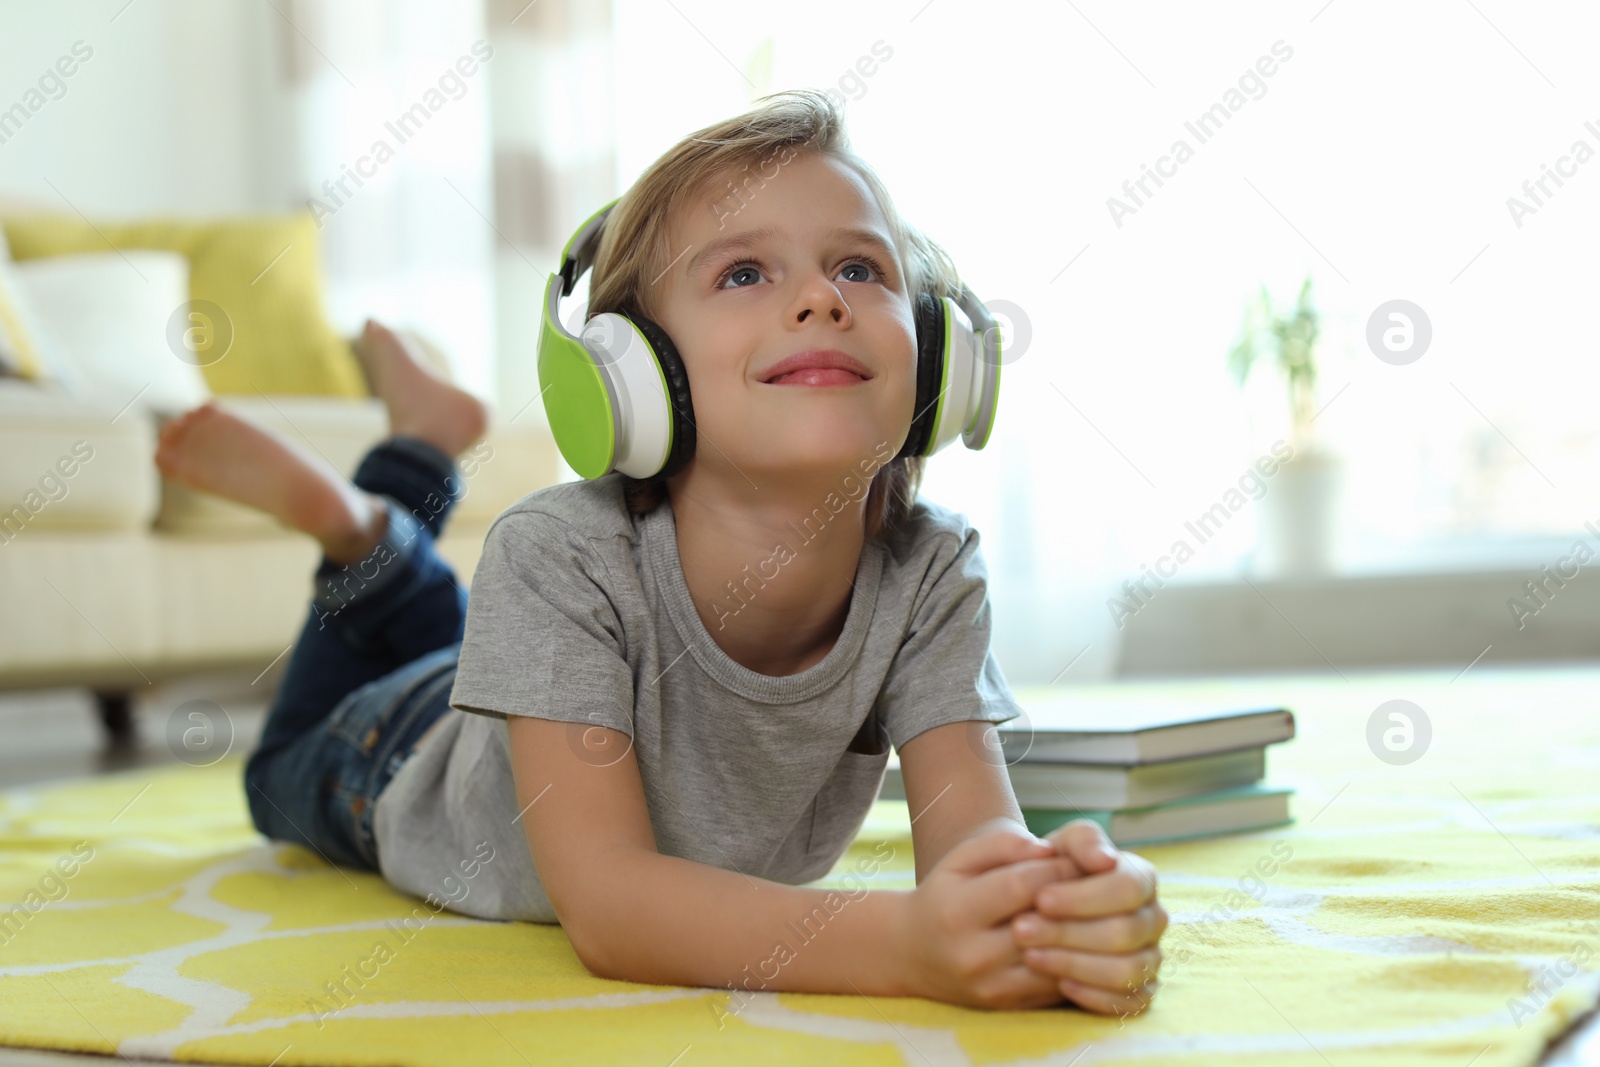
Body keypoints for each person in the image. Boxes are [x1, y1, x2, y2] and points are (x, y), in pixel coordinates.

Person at [161, 89, 1165, 1016]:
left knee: (454, 636)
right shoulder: (557, 552)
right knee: (277, 767)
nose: (822, 298)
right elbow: (610, 907)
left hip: (535, 674)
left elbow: (977, 854)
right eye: (742, 272)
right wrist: (903, 945)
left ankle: (400, 499)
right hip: (391, 754)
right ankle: (370, 514)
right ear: (630, 378)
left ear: (942, 358)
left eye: (859, 267)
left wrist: (1051, 901)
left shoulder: (932, 571)